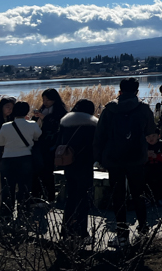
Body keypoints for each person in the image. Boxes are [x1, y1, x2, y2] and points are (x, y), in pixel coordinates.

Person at [93, 77, 156, 248]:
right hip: (137, 158)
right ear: (137, 91)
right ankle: (143, 231)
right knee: (139, 194)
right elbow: (151, 134)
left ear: (119, 91)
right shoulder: (143, 109)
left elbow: (99, 136)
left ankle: (121, 236)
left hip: (114, 159)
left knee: (118, 197)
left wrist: (99, 158)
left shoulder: (109, 109)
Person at [58, 99, 98, 241]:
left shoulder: (64, 123)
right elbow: (95, 146)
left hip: (68, 164)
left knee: (71, 197)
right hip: (85, 164)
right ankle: (82, 233)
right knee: (83, 198)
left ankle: (66, 231)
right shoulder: (92, 125)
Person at [0, 101, 41, 220]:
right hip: (25, 159)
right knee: (24, 188)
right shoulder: (32, 125)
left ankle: (6, 216)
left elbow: (0, 142)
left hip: (8, 159)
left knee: (7, 189)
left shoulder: (6, 126)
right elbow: (38, 136)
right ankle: (23, 215)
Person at [32, 88, 68, 203]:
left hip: (51, 145)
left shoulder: (60, 111)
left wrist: (44, 118)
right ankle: (38, 195)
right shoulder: (43, 109)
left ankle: (50, 196)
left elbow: (58, 126)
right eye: (43, 99)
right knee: (38, 170)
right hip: (39, 144)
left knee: (47, 171)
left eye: (47, 100)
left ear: (54, 99)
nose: (45, 102)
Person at [145, 128, 162, 206]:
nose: (151, 138)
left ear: (158, 136)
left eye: (153, 136)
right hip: (148, 170)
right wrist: (146, 156)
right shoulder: (144, 146)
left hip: (161, 170)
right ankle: (149, 198)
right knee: (147, 182)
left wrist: (157, 156)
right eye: (148, 136)